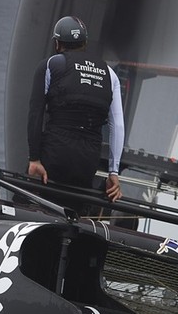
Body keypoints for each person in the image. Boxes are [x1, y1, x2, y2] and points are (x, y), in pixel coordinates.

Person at [26, 15, 124, 211]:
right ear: (85, 42)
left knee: (32, 208)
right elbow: (117, 125)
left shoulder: (50, 65)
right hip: (88, 159)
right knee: (73, 214)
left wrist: (34, 158)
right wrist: (114, 172)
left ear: (57, 43)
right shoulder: (110, 73)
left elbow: (35, 113)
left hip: (55, 151)